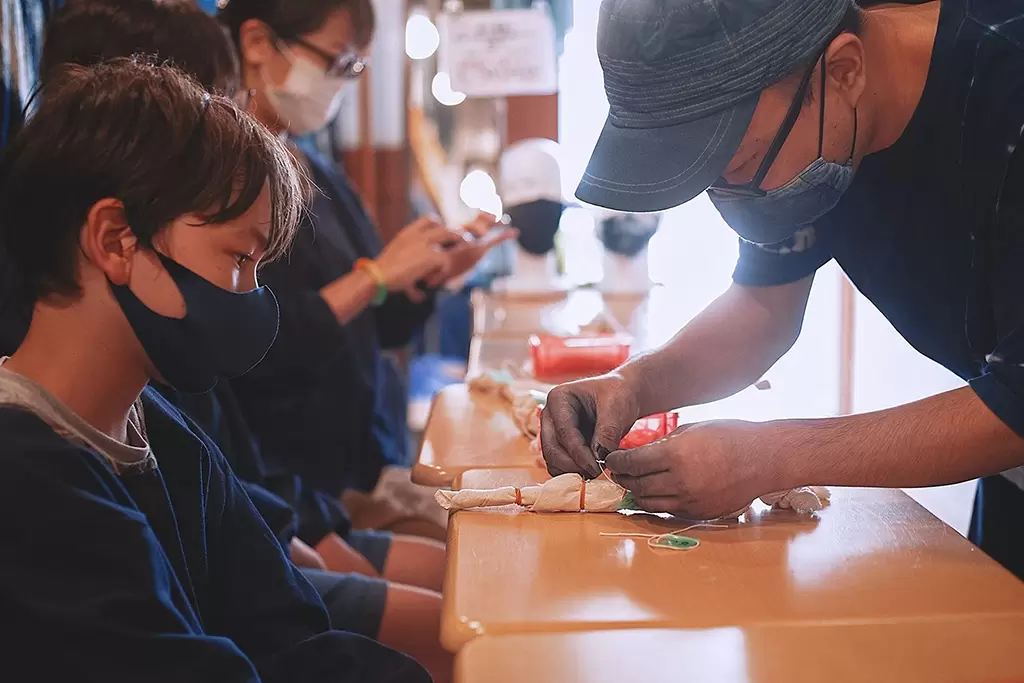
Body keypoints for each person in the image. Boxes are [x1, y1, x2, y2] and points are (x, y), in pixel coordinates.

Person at [27, 3, 452, 679]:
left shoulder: (164, 432)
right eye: (238, 261)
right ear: (114, 239)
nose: (252, 299)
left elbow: (290, 629)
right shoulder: (29, 486)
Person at [542, 0, 1024, 580]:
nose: (730, 195)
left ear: (844, 70)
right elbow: (762, 307)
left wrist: (770, 455)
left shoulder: (1006, 84)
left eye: (739, 162)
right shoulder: (818, 118)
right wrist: (634, 385)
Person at [218, 0, 513, 535]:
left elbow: (381, 323)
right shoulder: (221, 184)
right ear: (256, 42)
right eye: (336, 62)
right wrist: (374, 277)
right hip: (289, 487)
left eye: (355, 67)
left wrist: (432, 273)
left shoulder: (314, 166)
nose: (343, 83)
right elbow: (250, 350)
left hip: (361, 460)